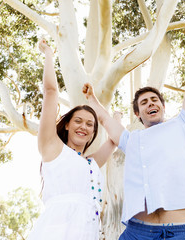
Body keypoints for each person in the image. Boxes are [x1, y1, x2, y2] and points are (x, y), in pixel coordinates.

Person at [82, 23, 185, 240]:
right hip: (139, 232)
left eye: (155, 99)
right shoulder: (131, 139)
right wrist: (91, 98)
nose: (151, 103)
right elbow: (104, 119)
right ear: (138, 114)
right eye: (144, 102)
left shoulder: (184, 124)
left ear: (162, 106)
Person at [27, 40, 116, 240]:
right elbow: (51, 92)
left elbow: (113, 141)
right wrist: (49, 54)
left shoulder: (91, 164)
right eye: (78, 121)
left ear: (93, 133)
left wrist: (114, 116)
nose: (83, 127)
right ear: (67, 124)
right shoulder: (52, 148)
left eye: (90, 124)